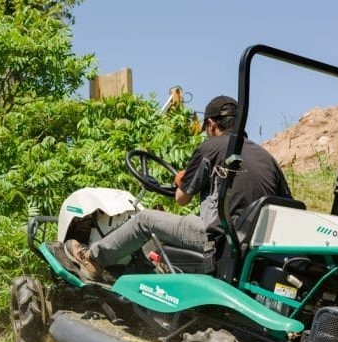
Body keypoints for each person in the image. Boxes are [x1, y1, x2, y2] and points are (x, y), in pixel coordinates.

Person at [64, 95, 292, 281]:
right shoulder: (266, 157)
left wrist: (179, 180)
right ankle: (159, 268)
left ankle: (93, 257)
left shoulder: (211, 147)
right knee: (173, 219)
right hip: (255, 242)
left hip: (219, 240)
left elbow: (182, 198)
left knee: (146, 220)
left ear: (211, 124)